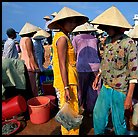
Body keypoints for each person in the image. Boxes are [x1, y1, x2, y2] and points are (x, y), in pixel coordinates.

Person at [91, 6, 138, 135]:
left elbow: (134, 72)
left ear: (117, 27)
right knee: (98, 115)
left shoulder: (128, 43)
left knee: (118, 121)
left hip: (120, 90)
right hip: (106, 86)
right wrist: (98, 76)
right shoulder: (106, 41)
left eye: (109, 27)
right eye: (105, 27)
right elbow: (105, 62)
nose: (106, 29)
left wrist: (129, 97)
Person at [47, 6, 88, 135]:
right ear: (61, 23)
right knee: (70, 112)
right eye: (69, 21)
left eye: (74, 21)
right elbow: (62, 65)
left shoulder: (62, 36)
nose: (73, 24)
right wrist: (66, 88)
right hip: (67, 81)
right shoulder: (62, 39)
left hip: (68, 79)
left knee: (69, 112)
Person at [72, 22, 101, 116]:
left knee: (81, 89)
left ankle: (81, 107)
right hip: (95, 66)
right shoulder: (95, 39)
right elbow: (98, 53)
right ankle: (92, 109)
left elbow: (74, 53)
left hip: (82, 66)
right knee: (94, 89)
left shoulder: (76, 38)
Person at [19, 22, 40, 97]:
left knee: (28, 86)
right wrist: (36, 67)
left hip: (24, 63)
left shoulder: (21, 40)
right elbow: (30, 54)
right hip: (29, 65)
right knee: (33, 87)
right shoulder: (28, 40)